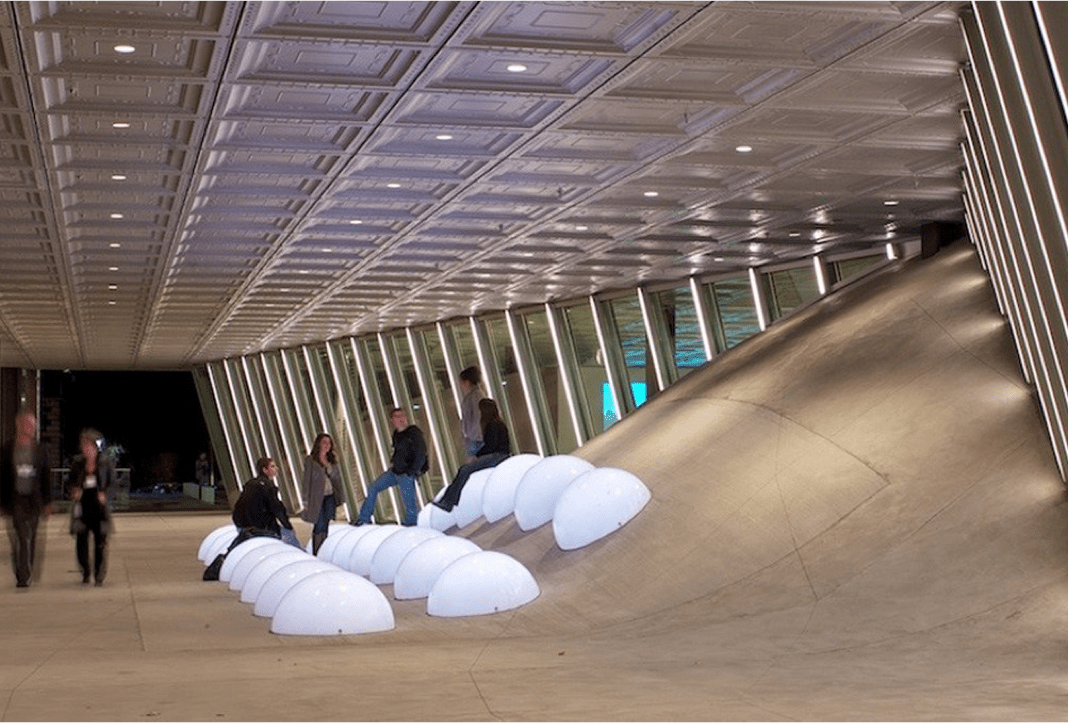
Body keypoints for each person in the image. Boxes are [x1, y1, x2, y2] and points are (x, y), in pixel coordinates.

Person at [0, 410, 52, 588]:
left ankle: (25, 569)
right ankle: (23, 576)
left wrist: (47, 502)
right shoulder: (7, 449)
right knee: (21, 537)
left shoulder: (40, 450)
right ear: (18, 425)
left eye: (33, 425)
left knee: (31, 538)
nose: (30, 428)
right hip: (15, 501)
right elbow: (2, 478)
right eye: (27, 424)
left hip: (34, 501)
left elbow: (46, 477)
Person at [434, 398, 511, 512]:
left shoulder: (492, 425)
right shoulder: (498, 423)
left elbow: (491, 446)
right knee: (465, 469)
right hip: (500, 455)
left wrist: (477, 455)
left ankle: (448, 501)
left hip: (497, 456)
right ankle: (449, 500)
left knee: (464, 470)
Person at [354, 408, 427, 527]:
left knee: (410, 502)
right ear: (392, 420)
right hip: (395, 472)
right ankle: (364, 518)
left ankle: (411, 525)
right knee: (373, 487)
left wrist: (412, 472)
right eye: (396, 416)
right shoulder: (396, 434)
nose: (400, 418)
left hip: (406, 473)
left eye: (402, 415)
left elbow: (421, 453)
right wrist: (393, 462)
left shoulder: (414, 432)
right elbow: (397, 451)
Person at [67, 428, 116, 586]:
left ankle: (99, 575)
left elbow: (113, 484)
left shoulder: (105, 463)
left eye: (90, 445)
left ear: (95, 447)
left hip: (99, 509)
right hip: (82, 508)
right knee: (81, 543)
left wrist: (105, 494)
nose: (87, 449)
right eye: (84, 445)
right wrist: (73, 490)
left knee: (100, 544)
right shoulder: (77, 464)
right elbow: (68, 483)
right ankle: (85, 572)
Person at [232, 456, 299, 547]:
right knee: (289, 536)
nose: (277, 468)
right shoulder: (268, 487)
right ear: (265, 470)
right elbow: (277, 509)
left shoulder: (250, 484)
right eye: (272, 466)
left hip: (242, 526)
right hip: (261, 528)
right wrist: (288, 526)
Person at [300, 433, 346, 554]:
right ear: (318, 444)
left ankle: (322, 550)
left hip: (330, 496)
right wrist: (305, 500)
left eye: (329, 443)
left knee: (325, 524)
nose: (327, 445)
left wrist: (341, 496)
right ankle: (317, 551)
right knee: (319, 523)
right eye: (324, 442)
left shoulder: (332, 460)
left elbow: (337, 479)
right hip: (316, 498)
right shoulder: (310, 460)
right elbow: (306, 481)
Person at [458, 366, 483, 464]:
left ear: (467, 382)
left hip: (475, 440)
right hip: (474, 439)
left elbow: (477, 417)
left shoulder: (475, 396)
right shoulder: (474, 395)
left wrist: (472, 436)